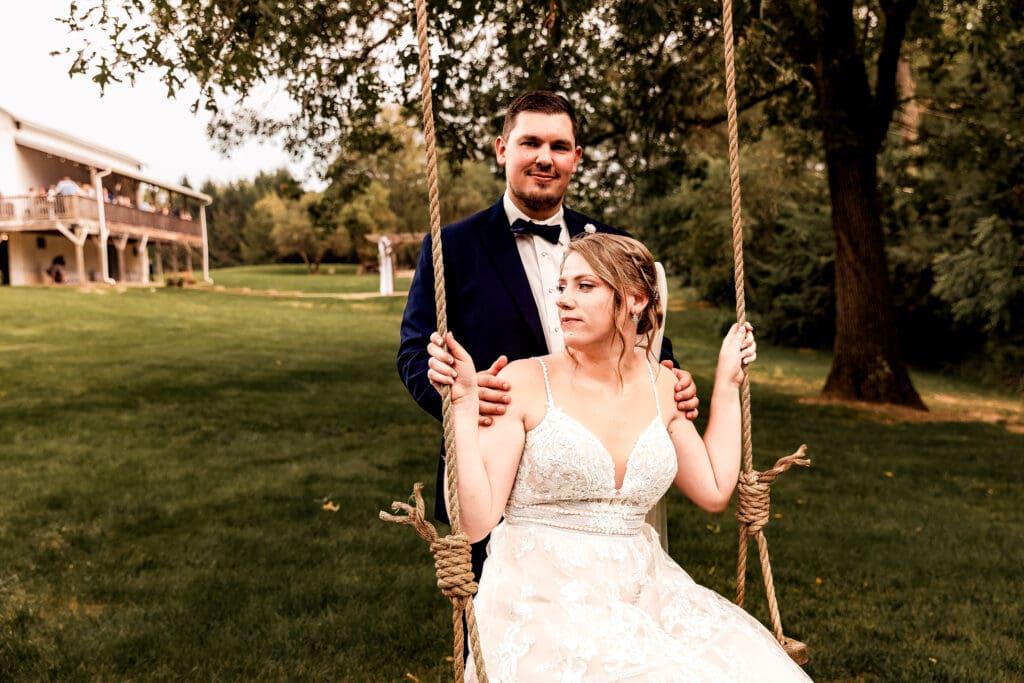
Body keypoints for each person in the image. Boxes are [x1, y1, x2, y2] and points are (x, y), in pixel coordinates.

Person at [426, 233, 812, 681]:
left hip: (645, 593)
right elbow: (474, 523)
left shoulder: (663, 386)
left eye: (585, 286)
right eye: (562, 287)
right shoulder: (524, 382)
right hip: (540, 599)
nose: (564, 301)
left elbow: (713, 489)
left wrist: (727, 384)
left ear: (634, 298)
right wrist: (462, 406)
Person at [397, 90, 699, 578]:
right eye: (530, 142)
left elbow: (647, 339)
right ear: (502, 149)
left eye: (559, 146)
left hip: (599, 476)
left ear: (576, 158)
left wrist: (671, 374)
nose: (544, 158)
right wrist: (460, 398)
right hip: (496, 471)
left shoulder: (613, 244)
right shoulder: (451, 245)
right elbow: (415, 350)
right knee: (504, 634)